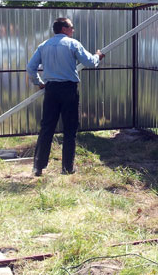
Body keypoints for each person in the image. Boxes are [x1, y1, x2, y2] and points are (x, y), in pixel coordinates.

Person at [27, 17, 105, 177]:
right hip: (68, 90)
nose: (73, 30)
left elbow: (30, 67)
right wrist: (98, 56)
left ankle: (38, 167)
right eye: (71, 27)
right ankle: (67, 168)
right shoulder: (72, 44)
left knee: (47, 128)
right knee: (70, 129)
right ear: (64, 29)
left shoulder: (44, 46)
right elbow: (89, 62)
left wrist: (39, 82)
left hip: (51, 90)